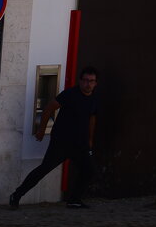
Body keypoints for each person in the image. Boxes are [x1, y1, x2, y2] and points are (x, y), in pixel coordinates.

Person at [9, 67, 100, 210]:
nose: (88, 84)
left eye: (91, 81)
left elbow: (92, 119)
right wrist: (41, 129)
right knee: (44, 169)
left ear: (95, 83)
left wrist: (90, 139)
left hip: (80, 143)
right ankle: (17, 195)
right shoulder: (70, 94)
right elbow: (49, 108)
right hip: (62, 141)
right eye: (85, 80)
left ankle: (74, 200)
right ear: (80, 81)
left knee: (89, 170)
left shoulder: (94, 98)